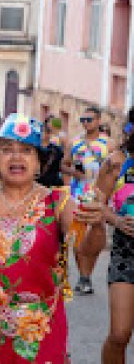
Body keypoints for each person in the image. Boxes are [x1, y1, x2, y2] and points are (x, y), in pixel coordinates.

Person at [0, 113, 106, 362]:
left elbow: (86, 252)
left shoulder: (58, 203)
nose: (16, 157)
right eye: (7, 150)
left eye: (27, 151)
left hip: (41, 331)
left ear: (40, 163)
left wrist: (97, 226)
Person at [91, 108, 134, 363]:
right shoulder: (117, 161)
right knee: (119, 334)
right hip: (125, 254)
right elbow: (95, 202)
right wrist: (116, 219)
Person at [65, 106, 109, 295]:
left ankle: (88, 272)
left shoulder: (109, 144)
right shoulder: (75, 142)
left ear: (99, 121)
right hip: (78, 193)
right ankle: (84, 277)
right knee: (78, 234)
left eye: (89, 120)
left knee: (96, 235)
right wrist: (73, 172)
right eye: (82, 120)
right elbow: (64, 164)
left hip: (100, 194)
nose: (85, 123)